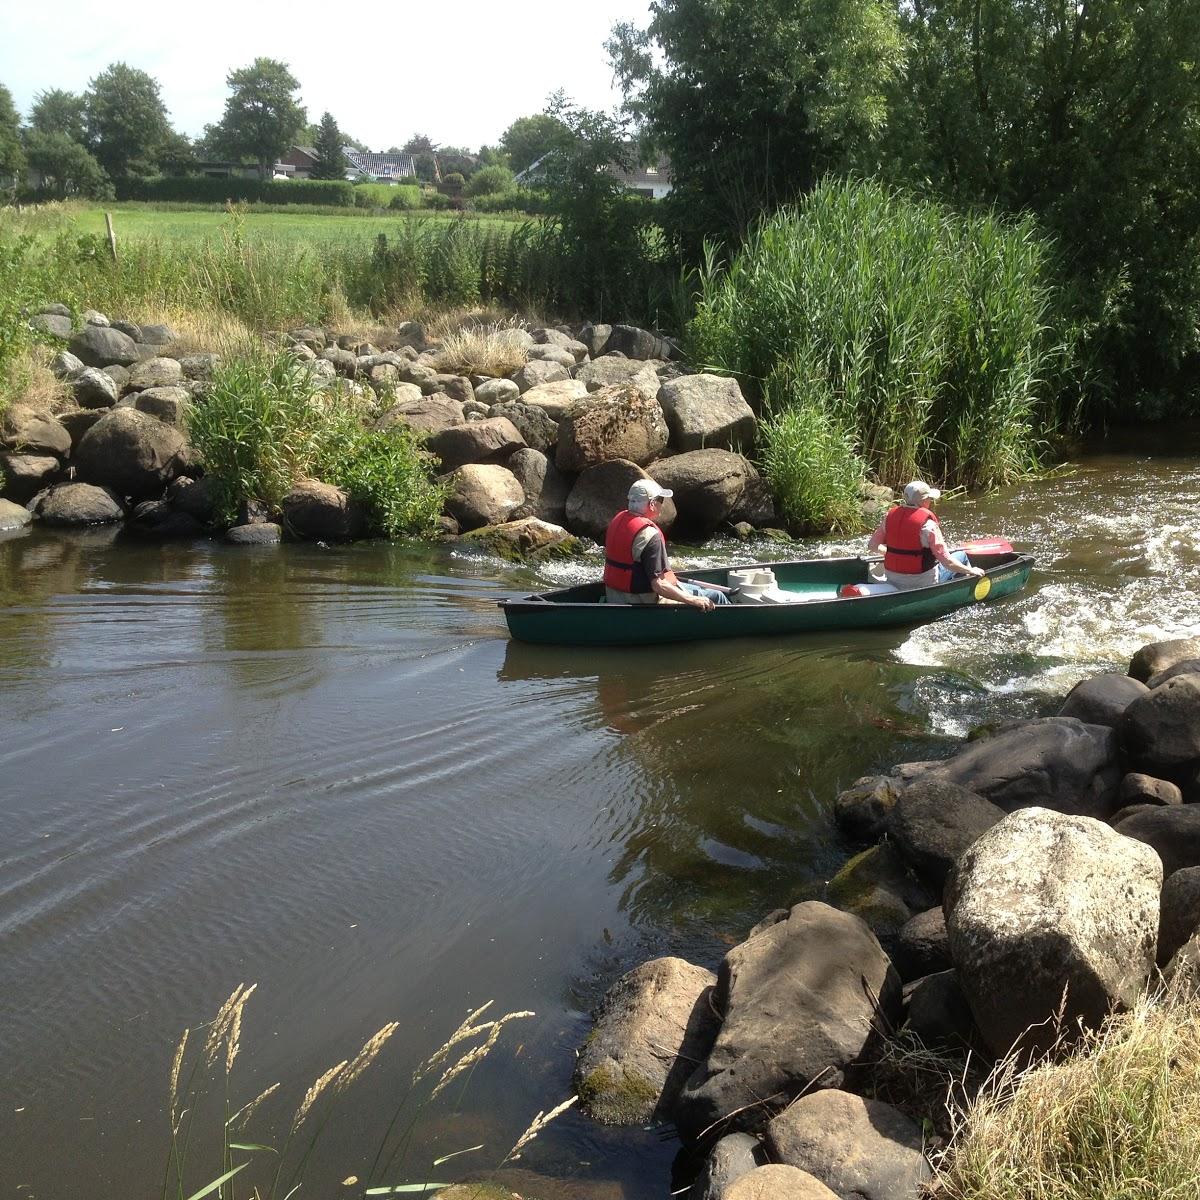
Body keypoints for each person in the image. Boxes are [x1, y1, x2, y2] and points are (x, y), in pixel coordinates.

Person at [604, 479, 730, 610]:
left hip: (615, 596)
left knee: (694, 589)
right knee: (717, 596)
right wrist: (694, 600)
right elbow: (659, 585)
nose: (662, 505)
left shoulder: (616, 522)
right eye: (661, 500)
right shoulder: (650, 535)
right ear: (652, 504)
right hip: (644, 602)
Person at [866, 480, 985, 590]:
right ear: (923, 501)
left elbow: (872, 545)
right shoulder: (928, 525)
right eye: (929, 499)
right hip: (923, 582)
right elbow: (947, 562)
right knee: (962, 555)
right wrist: (972, 570)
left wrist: (894, 553)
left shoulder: (889, 518)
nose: (930, 502)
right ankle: (962, 591)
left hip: (893, 580)